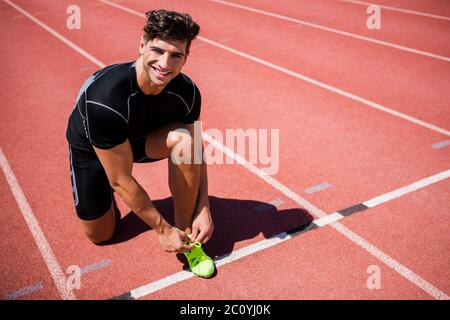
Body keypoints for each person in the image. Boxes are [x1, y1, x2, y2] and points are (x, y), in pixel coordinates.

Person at [65, 9, 215, 278]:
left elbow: (195, 149)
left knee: (186, 140)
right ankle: (109, 201)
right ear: (142, 45)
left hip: (143, 139)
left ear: (186, 59)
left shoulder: (188, 92)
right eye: (157, 51)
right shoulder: (105, 100)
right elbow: (121, 179)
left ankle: (187, 239)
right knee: (101, 235)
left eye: (176, 55)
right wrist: (161, 229)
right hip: (96, 147)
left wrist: (203, 207)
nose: (165, 63)